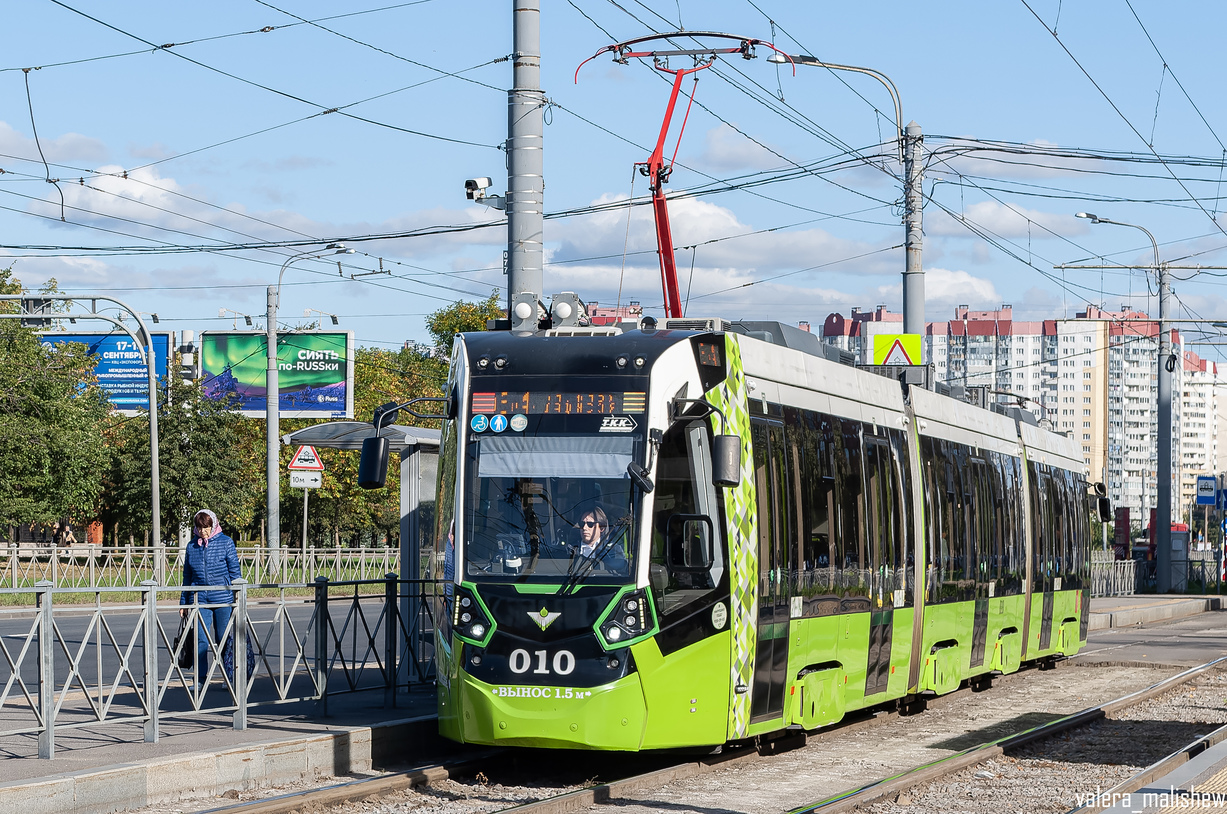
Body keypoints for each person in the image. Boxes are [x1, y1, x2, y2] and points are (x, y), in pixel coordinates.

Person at [180, 509, 241, 681]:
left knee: (223, 640)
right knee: (200, 640)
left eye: (206, 527)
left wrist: (239, 597)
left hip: (223, 599)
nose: (203, 531)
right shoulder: (192, 546)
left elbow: (235, 572)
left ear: (213, 524)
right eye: (199, 528)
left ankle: (229, 677)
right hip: (199, 599)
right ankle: (199, 680)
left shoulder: (226, 542)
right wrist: (184, 602)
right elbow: (187, 576)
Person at [573, 507, 627, 575]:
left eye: (590, 524)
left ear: (601, 528)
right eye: (582, 524)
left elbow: (622, 575)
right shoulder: (570, 550)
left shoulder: (614, 549)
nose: (584, 528)